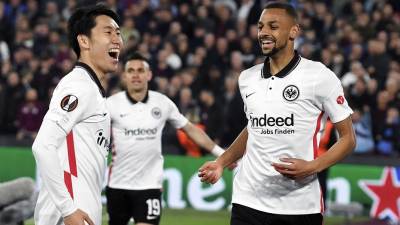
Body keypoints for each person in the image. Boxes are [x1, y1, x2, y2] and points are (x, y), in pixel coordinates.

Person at [198, 2, 356, 225]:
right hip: (248, 201)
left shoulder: (319, 76)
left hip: (300, 206)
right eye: (261, 26)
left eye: (273, 26)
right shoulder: (247, 79)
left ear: (294, 31)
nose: (263, 33)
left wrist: (311, 167)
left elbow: (348, 139)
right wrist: (221, 162)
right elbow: (254, 128)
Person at [105, 52, 227, 225]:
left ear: (149, 74)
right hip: (118, 185)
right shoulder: (110, 104)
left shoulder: (162, 103)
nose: (136, 75)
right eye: (131, 71)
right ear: (124, 76)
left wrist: (221, 153)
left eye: (140, 70)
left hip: (150, 186)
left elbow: (190, 129)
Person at [32, 4, 123, 225]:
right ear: (84, 41)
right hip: (68, 215)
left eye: (119, 33)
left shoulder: (92, 90)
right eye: (108, 32)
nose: (118, 40)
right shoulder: (78, 86)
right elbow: (42, 146)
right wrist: (68, 209)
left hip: (79, 212)